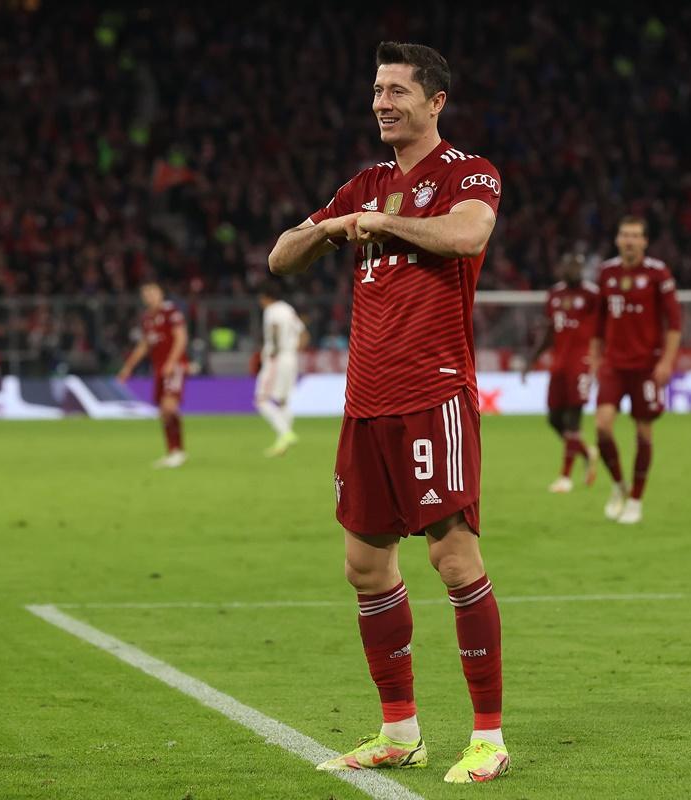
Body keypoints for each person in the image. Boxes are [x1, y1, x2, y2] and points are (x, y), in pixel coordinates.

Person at [267, 41, 509, 784]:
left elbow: (467, 235)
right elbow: (281, 257)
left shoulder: (468, 172)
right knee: (365, 566)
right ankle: (400, 731)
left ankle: (489, 738)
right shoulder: (365, 182)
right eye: (377, 89)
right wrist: (333, 227)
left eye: (398, 91)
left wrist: (383, 224)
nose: (382, 102)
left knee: (452, 555)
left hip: (432, 394)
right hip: (364, 402)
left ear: (435, 102)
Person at [590, 217, 682, 524]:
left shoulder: (658, 273)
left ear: (644, 241)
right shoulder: (607, 272)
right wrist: (595, 359)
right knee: (602, 426)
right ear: (618, 239)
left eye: (635, 236)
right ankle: (619, 485)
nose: (629, 240)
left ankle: (636, 501)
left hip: (646, 366)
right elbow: (598, 323)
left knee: (644, 431)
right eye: (624, 234)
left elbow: (675, 324)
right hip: (614, 366)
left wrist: (666, 361)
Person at [522, 253, 601, 493]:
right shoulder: (554, 294)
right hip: (559, 363)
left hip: (582, 362)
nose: (572, 270)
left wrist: (599, 361)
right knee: (554, 419)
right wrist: (532, 360)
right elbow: (549, 331)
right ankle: (587, 452)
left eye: (576, 266)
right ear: (560, 268)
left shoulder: (592, 295)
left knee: (572, 419)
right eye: (568, 265)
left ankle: (565, 477)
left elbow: (604, 330)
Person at [117, 280, 188, 468]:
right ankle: (174, 451)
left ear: (161, 293)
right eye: (146, 294)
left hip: (174, 367)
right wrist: (128, 367)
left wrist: (172, 362)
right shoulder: (147, 318)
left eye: (153, 292)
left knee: (168, 407)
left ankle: (177, 451)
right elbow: (144, 345)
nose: (150, 296)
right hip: (159, 369)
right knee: (164, 413)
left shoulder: (170, 312)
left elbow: (181, 337)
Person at [256, 281, 308, 456]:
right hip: (291, 357)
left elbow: (275, 328)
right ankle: (282, 443)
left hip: (277, 358)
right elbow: (303, 333)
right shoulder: (287, 309)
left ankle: (285, 433)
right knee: (284, 400)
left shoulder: (271, 311)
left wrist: (275, 352)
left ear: (265, 297)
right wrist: (295, 351)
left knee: (261, 400)